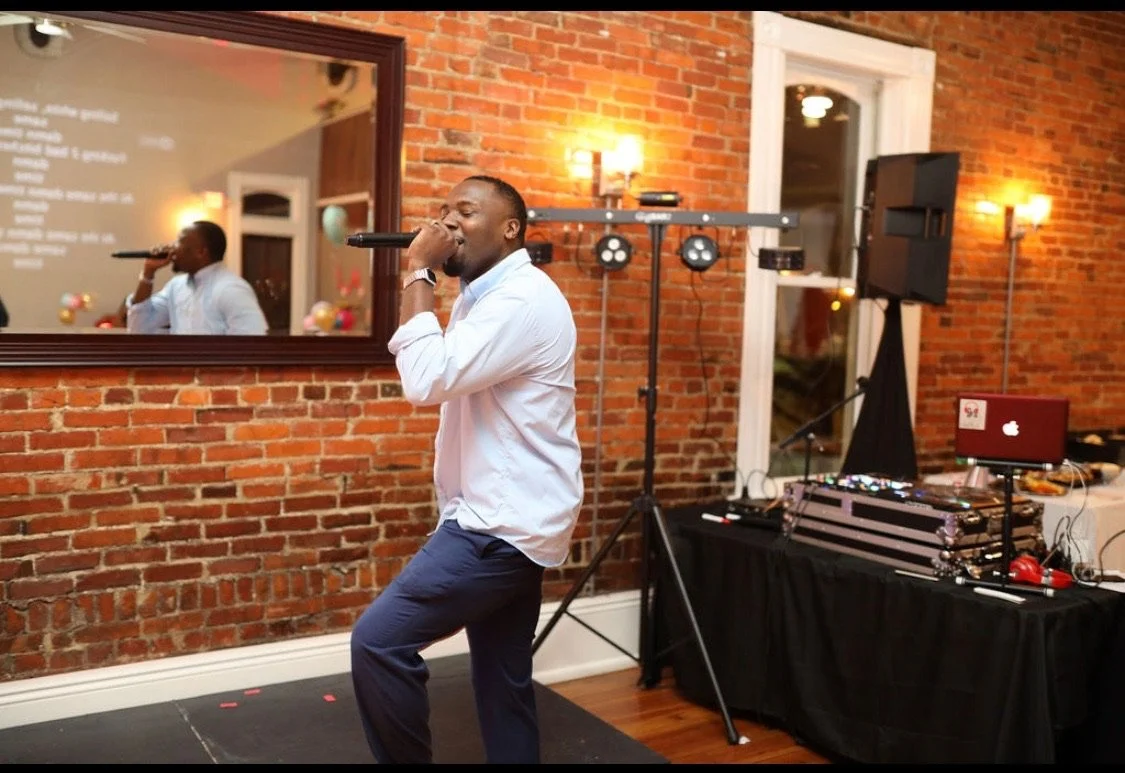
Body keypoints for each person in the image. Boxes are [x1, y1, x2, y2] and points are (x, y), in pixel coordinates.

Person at [349, 175, 584, 764]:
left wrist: (417, 273)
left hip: (497, 527)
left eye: (467, 212)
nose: (449, 222)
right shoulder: (486, 294)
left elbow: (427, 380)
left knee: (378, 643)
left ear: (511, 229)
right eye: (445, 210)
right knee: (503, 685)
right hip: (519, 518)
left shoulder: (520, 300)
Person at [125, 220, 268, 335]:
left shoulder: (231, 289)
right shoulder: (176, 287)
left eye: (179, 242)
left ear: (201, 251)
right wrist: (148, 273)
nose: (172, 249)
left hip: (215, 371)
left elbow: (252, 343)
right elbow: (139, 327)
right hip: (182, 370)